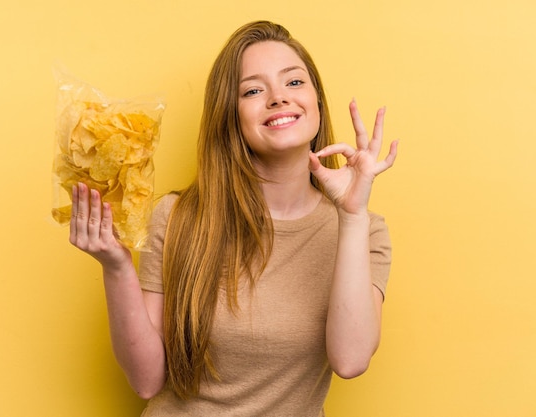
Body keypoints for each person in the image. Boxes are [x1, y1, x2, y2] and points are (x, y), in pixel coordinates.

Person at [69, 20, 398, 417]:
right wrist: (117, 267)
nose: (278, 98)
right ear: (231, 117)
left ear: (316, 100)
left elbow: (350, 360)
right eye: (254, 90)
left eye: (294, 83)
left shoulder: (364, 230)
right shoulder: (176, 218)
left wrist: (352, 215)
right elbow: (146, 380)